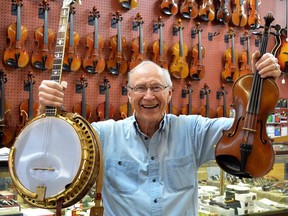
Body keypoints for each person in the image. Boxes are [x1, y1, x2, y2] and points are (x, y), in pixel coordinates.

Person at [38, 51, 281, 216]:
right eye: (140, 88)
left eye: (156, 88)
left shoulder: (193, 130)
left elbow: (249, 128)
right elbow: (52, 153)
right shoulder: (104, 135)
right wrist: (46, 109)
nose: (149, 96)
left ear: (169, 93)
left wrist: (260, 85)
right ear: (129, 94)